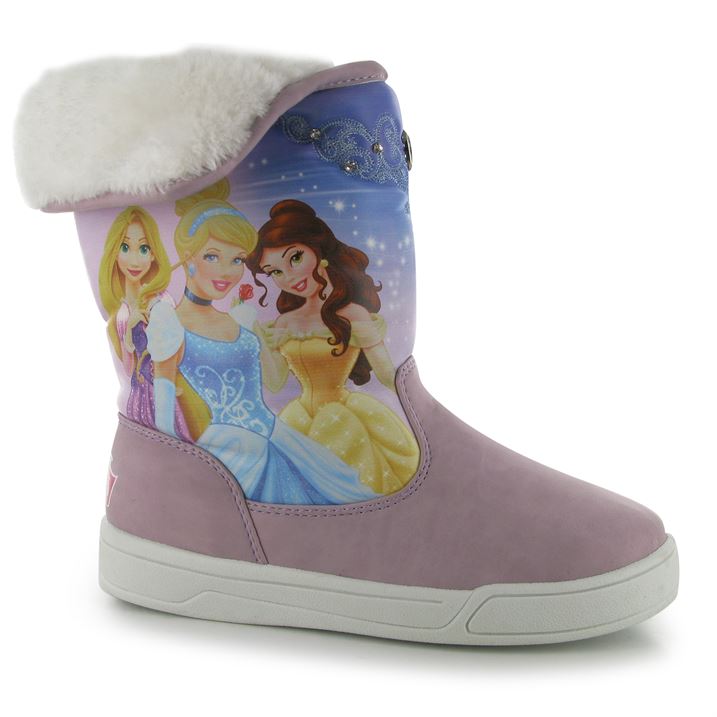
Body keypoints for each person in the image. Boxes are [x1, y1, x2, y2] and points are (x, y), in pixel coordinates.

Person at [146, 180, 376, 505]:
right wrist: (171, 467)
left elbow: (274, 381)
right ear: (187, 257)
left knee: (333, 493)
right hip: (232, 446)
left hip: (279, 437)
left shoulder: (240, 318)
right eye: (212, 256)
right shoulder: (169, 322)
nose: (227, 271)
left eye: (237, 260)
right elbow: (163, 405)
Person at [246, 199, 420, 495]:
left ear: (318, 249)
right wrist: (261, 343)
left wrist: (408, 396)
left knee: (335, 432)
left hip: (342, 413)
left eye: (295, 258)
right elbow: (275, 384)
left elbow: (386, 374)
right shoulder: (285, 322)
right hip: (297, 417)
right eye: (274, 272)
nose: (288, 276)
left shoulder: (353, 315)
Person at [98, 206, 190, 438]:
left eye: (144, 248)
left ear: (153, 254)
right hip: (139, 399)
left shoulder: (162, 300)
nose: (134, 260)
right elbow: (129, 369)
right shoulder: (121, 314)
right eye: (125, 247)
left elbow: (178, 354)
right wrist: (130, 330)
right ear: (114, 252)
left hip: (165, 391)